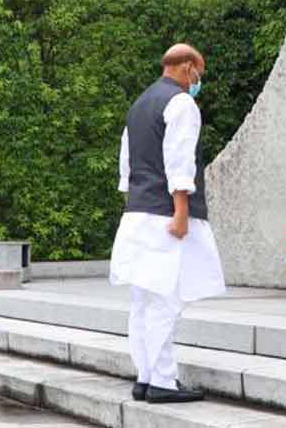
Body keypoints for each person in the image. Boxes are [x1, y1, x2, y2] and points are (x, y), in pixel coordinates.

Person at [109, 43, 226, 403]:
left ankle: (145, 376)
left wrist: (136, 207)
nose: (198, 82)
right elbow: (179, 160)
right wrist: (180, 213)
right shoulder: (181, 103)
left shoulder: (138, 105)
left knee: (143, 300)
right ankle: (162, 381)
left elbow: (126, 168)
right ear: (188, 67)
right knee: (165, 300)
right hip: (165, 215)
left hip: (139, 214)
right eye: (199, 75)